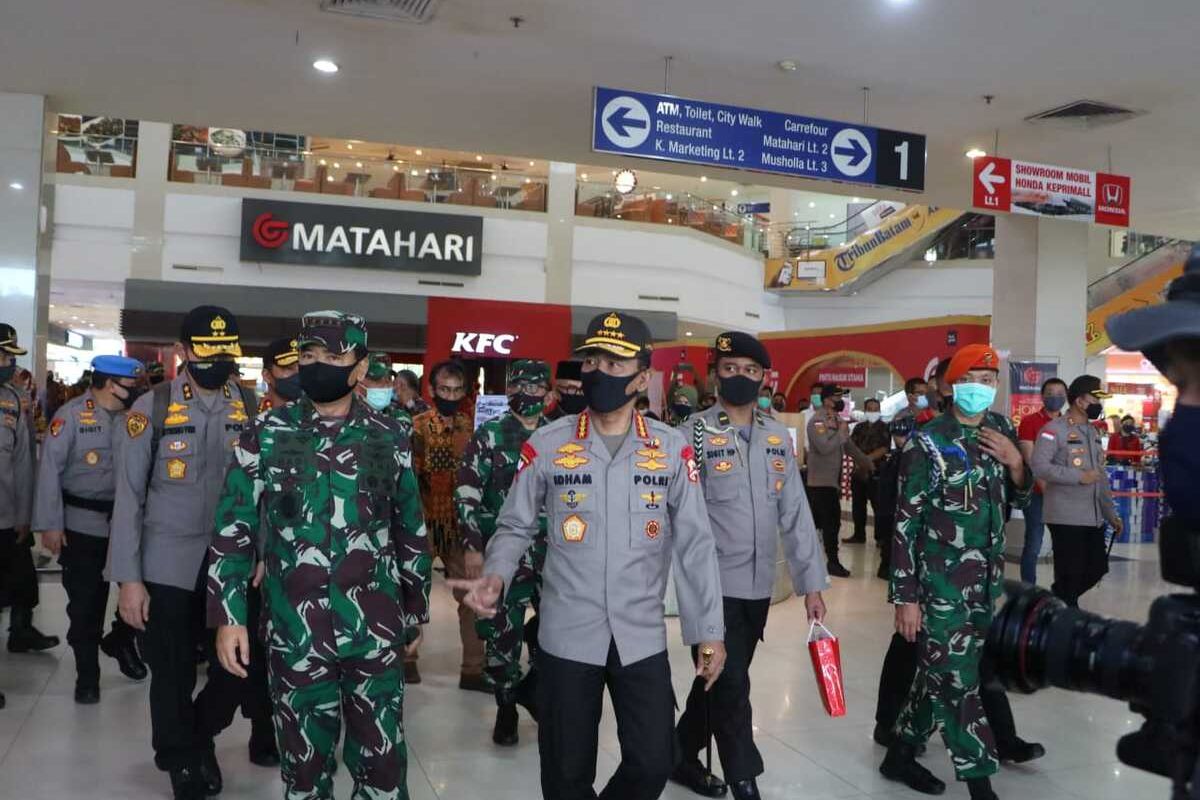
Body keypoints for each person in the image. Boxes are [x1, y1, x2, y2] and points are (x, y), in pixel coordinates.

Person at [450, 310, 726, 800]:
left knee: (653, 758)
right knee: (564, 772)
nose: (599, 372)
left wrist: (708, 631)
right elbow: (514, 523)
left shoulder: (670, 448)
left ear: (642, 376)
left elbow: (696, 544)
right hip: (567, 634)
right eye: (593, 359)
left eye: (614, 364)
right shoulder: (548, 444)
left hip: (639, 635)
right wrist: (495, 574)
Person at [208, 310, 431, 800]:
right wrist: (229, 617)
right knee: (304, 774)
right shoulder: (266, 432)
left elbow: (409, 526)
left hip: (373, 633)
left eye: (333, 356)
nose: (318, 366)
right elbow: (233, 528)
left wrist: (415, 612)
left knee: (384, 770)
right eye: (308, 356)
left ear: (359, 366)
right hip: (295, 634)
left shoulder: (389, 434)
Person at [109, 305, 259, 800]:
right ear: (183, 352)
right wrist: (128, 580)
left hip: (233, 565)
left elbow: (267, 490)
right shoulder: (150, 409)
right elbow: (129, 499)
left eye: (226, 351)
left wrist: (262, 553)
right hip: (168, 564)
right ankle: (181, 760)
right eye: (206, 351)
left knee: (236, 667)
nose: (218, 360)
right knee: (171, 670)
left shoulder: (252, 407)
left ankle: (198, 736)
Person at [672, 332, 828, 800]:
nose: (740, 377)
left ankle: (677, 753)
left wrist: (811, 586)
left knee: (717, 682)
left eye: (750, 370)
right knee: (732, 687)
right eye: (729, 368)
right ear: (715, 374)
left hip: (757, 588)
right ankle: (745, 779)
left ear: (764, 378)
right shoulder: (691, 435)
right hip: (710, 589)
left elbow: (796, 513)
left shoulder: (778, 436)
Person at [882, 344, 1035, 800]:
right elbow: (905, 524)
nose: (983, 387)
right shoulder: (926, 442)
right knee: (955, 680)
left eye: (991, 380)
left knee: (947, 670)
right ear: (951, 385)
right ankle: (979, 781)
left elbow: (1021, 500)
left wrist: (1016, 463)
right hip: (939, 584)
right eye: (976, 378)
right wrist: (905, 597)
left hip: (986, 582)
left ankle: (900, 752)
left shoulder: (1001, 430)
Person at [32, 355, 148, 704]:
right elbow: (49, 471)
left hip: (129, 525)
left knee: (147, 594)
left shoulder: (137, 419)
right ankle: (87, 675)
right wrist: (50, 524)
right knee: (85, 606)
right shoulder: (69, 417)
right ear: (110, 384)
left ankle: (120, 639)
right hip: (83, 526)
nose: (135, 391)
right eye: (130, 385)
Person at [456, 359, 550, 746]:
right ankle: (507, 706)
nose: (526, 394)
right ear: (508, 390)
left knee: (558, 631)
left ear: (547, 392)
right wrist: (472, 545)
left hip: (553, 554)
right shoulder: (489, 436)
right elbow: (467, 491)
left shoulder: (559, 437)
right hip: (502, 555)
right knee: (500, 635)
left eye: (534, 387)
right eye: (518, 386)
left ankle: (542, 694)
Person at [410, 359, 481, 689]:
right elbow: (409, 478)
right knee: (412, 592)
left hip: (458, 527)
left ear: (465, 392)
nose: (450, 395)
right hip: (423, 524)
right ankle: (406, 660)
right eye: (444, 389)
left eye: (456, 390)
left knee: (471, 597)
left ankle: (473, 669)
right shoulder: (417, 426)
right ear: (432, 390)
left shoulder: (469, 428)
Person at [1032, 375, 1123, 608]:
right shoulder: (1053, 430)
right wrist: (1078, 477)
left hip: (1092, 516)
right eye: (1095, 399)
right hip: (1065, 515)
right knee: (1070, 575)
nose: (1099, 405)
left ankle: (1054, 601)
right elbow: (1040, 466)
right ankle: (1065, 619)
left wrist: (1111, 514)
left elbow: (1099, 476)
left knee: (1097, 568)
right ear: (1080, 401)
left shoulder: (1092, 432)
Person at [0, 323, 59, 670]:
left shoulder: (14, 400)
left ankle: (21, 631)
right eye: (4, 354)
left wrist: (26, 516)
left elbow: (24, 463)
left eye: (10, 355)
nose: (9, 362)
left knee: (22, 581)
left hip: (7, 515)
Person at [1015, 378, 1069, 584]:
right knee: (1034, 543)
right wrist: (1046, 487)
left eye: (1059, 392)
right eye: (1050, 392)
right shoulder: (1029, 422)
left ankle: (1063, 588)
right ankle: (1029, 590)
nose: (1055, 396)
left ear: (1066, 396)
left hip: (1064, 494)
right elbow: (1030, 458)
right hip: (1037, 492)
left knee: (1063, 545)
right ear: (1042, 395)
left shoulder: (1070, 423)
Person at [806, 384, 863, 577]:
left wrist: (867, 462)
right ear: (827, 400)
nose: (841, 401)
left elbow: (848, 446)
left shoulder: (837, 420)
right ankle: (832, 562)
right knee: (828, 524)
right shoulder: (817, 422)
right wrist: (840, 433)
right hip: (820, 483)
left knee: (828, 524)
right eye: (837, 398)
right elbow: (824, 447)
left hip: (832, 482)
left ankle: (824, 560)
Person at [846, 398, 889, 545]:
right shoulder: (859, 428)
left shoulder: (885, 428)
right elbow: (851, 447)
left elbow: (884, 448)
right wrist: (860, 461)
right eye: (869, 409)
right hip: (858, 471)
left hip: (877, 472)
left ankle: (880, 538)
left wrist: (866, 460)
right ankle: (859, 535)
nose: (873, 412)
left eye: (875, 409)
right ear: (865, 410)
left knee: (878, 506)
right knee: (858, 505)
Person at [256, 337, 301, 413]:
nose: (298, 374)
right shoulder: (251, 415)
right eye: (288, 368)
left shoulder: (322, 418)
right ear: (266, 375)